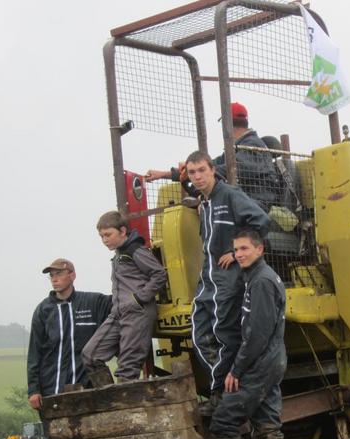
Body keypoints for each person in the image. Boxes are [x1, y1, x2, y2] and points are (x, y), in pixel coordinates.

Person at [197, 228, 289, 439]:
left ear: (259, 249)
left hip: (260, 364)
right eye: (236, 250)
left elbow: (257, 334)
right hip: (271, 360)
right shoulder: (258, 277)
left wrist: (236, 370)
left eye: (244, 249)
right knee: (269, 426)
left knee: (224, 419)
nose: (239, 255)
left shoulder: (261, 282)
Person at [182, 151, 270, 397]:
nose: (198, 177)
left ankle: (225, 392)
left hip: (228, 278)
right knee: (199, 334)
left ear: (212, 170)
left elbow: (261, 221)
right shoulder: (205, 202)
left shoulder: (230, 195)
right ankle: (223, 385)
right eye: (192, 172)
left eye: (202, 170)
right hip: (207, 279)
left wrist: (237, 251)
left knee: (224, 333)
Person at [145, 102, 281, 212]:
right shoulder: (235, 149)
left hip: (258, 203)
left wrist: (200, 172)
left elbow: (230, 169)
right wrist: (165, 174)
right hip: (245, 200)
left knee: (212, 208)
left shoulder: (252, 146)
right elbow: (211, 165)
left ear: (226, 124)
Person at [81, 211, 168, 382]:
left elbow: (159, 275)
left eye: (108, 235)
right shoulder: (120, 253)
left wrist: (139, 298)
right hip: (118, 313)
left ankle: (121, 405)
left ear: (122, 231)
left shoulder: (136, 250)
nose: (104, 240)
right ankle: (108, 397)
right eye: (101, 236)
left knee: (127, 370)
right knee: (90, 355)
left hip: (138, 312)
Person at [27, 259, 112, 409]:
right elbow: (34, 353)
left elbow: (123, 302)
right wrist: (33, 390)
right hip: (51, 392)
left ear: (72, 275)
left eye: (59, 273)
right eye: (51, 275)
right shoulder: (43, 310)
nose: (54, 279)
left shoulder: (94, 302)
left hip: (88, 390)